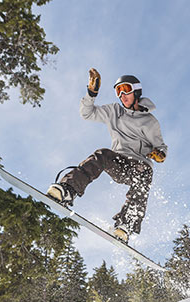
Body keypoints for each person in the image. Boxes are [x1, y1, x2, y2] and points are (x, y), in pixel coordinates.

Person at [47, 68, 167, 243]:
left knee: (145, 174)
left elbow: (160, 147)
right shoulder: (114, 111)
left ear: (136, 91)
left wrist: (159, 154)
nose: (122, 95)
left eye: (125, 89)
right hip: (119, 162)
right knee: (102, 154)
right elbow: (87, 113)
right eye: (118, 91)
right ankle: (68, 189)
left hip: (139, 165)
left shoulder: (150, 122)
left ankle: (126, 225)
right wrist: (91, 93)